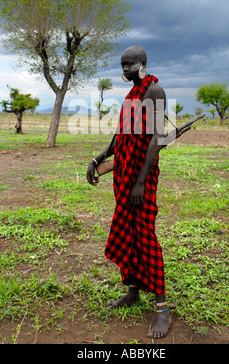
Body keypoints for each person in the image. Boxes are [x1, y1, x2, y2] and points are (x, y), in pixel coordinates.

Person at [86, 46, 171, 339]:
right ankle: (133, 292)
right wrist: (98, 159)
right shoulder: (132, 94)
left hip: (140, 179)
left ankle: (162, 308)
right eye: (122, 64)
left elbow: (158, 138)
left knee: (145, 235)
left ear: (143, 64)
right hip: (122, 176)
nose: (125, 69)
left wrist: (140, 182)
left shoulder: (154, 92)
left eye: (131, 64)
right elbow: (120, 135)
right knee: (128, 231)